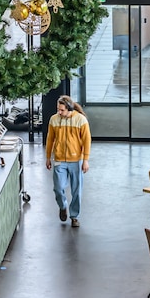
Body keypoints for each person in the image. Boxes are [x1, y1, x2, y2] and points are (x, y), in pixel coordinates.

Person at [44, 95, 92, 228]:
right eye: (58, 109)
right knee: (58, 188)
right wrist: (48, 157)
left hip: (76, 160)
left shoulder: (80, 120)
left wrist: (85, 160)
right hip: (59, 159)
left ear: (69, 108)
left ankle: (74, 216)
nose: (59, 112)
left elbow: (87, 141)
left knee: (77, 191)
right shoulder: (54, 120)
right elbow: (50, 139)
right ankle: (63, 206)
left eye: (62, 110)